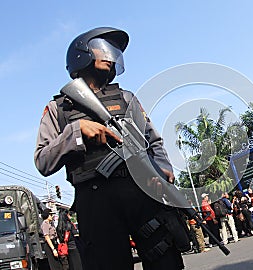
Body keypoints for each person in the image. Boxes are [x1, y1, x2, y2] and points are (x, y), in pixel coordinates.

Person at [34, 27, 190, 270]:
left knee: (165, 260)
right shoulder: (58, 109)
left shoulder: (126, 98)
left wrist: (163, 170)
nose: (110, 55)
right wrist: (76, 132)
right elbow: (42, 161)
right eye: (102, 48)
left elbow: (154, 141)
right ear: (81, 55)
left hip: (141, 191)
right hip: (95, 201)